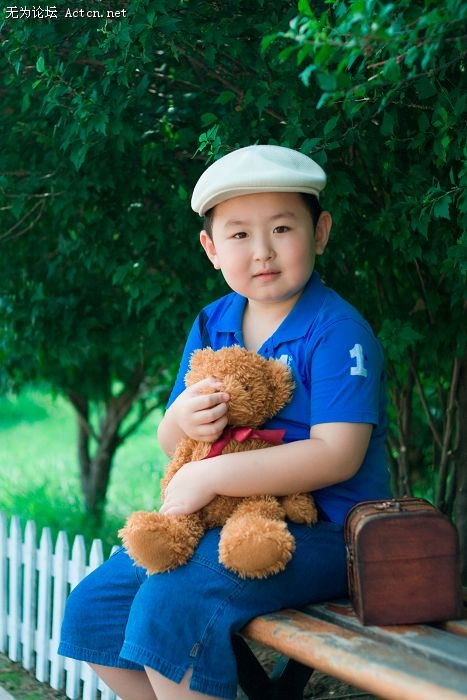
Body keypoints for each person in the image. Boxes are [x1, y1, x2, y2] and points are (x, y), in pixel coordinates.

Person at [59, 144, 390, 700]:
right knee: (95, 609)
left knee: (174, 601)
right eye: (239, 235)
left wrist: (211, 476)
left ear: (320, 232)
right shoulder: (214, 322)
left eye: (282, 228)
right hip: (220, 528)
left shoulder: (336, 331)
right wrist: (182, 417)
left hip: (326, 533)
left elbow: (338, 454)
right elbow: (173, 440)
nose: (262, 251)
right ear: (211, 249)